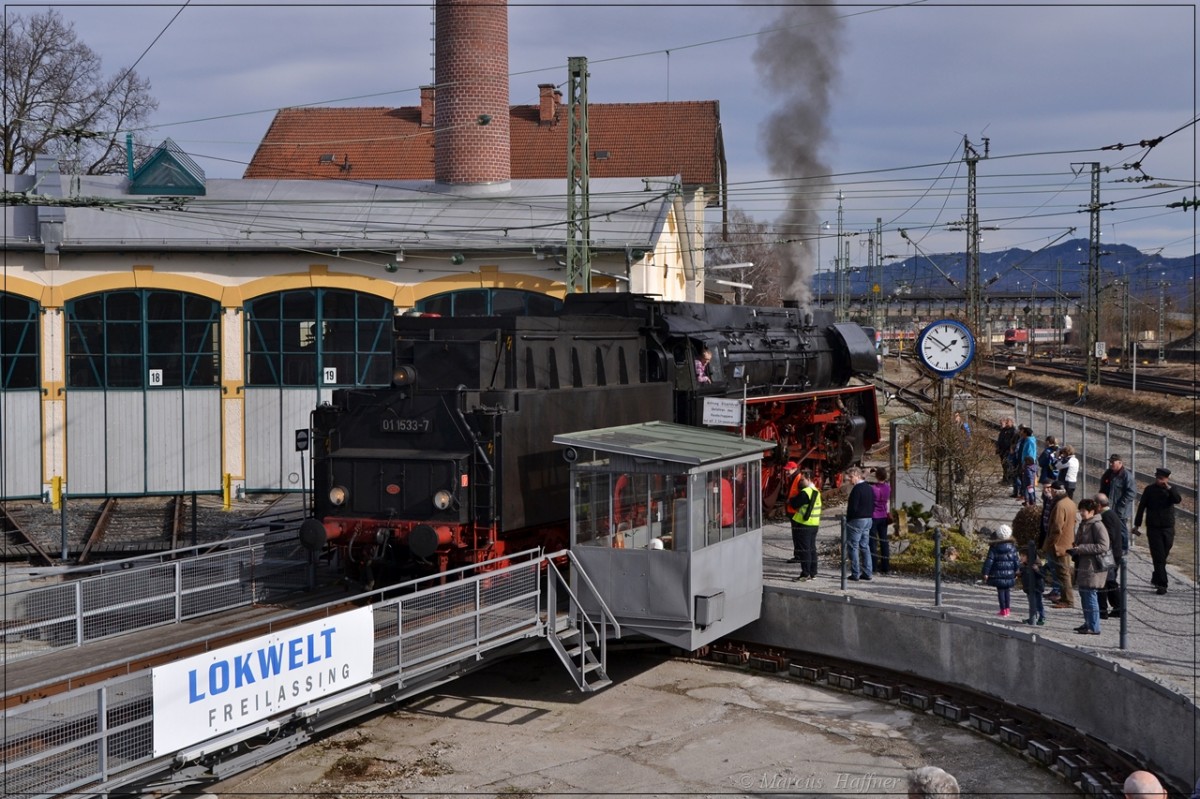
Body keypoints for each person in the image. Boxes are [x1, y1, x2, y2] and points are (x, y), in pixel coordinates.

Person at [1133, 467, 1183, 595]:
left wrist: (1168, 488)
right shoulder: (1149, 490)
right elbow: (1141, 507)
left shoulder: (1172, 490)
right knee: (1159, 557)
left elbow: (1177, 500)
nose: (1159, 480)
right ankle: (1162, 585)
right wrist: (1137, 525)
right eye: (1158, 478)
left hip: (1168, 528)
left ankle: (1156, 575)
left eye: (1162, 478)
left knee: (1163, 555)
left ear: (1167, 479)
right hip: (1154, 528)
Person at [1071, 498, 1111, 635]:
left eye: (1083, 510)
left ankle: (1094, 626)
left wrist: (1082, 548)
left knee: (1090, 596)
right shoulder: (1085, 524)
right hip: (1084, 565)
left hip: (1093, 567)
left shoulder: (1097, 525)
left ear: (1091, 512)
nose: (1081, 513)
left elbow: (1103, 545)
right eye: (1080, 510)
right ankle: (1088, 622)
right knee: (1084, 595)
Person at [1044, 482, 1078, 608]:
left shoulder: (1059, 505)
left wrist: (1050, 542)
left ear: (1055, 491)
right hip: (1068, 542)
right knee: (1064, 572)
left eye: (1052, 491)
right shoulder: (1070, 502)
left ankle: (1068, 600)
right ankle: (1064, 598)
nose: (1051, 493)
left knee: (1063, 573)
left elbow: (1057, 527)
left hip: (1060, 545)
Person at [787, 468, 822, 581]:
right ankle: (813, 572)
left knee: (804, 550)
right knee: (812, 549)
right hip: (814, 524)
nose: (800, 482)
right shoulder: (816, 491)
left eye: (802, 480)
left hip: (804, 525)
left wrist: (790, 500)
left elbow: (794, 503)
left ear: (808, 479)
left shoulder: (805, 493)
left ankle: (805, 573)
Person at [1094, 493, 1124, 619]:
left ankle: (1104, 610)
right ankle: (1117, 608)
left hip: (1109, 554)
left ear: (1099, 505)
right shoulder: (1110, 514)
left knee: (1104, 583)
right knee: (1110, 582)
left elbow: (1108, 537)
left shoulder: (1107, 517)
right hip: (1113, 553)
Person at [981, 524, 1019, 617]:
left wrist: (985, 573)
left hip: (998, 573)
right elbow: (1016, 560)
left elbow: (989, 561)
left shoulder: (994, 547)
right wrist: (1017, 570)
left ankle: (1003, 610)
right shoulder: (1013, 547)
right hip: (1010, 573)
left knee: (1001, 592)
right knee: (1007, 591)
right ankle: (1008, 609)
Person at [1100, 455, 1135, 553]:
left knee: (1121, 530)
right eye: (1110, 462)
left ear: (1120, 463)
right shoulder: (1108, 473)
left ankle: (1123, 549)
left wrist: (1121, 504)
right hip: (1107, 507)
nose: (1111, 464)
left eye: (1113, 462)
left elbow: (1131, 492)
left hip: (1120, 509)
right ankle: (1111, 547)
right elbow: (1103, 488)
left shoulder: (1126, 476)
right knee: (1108, 528)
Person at [844, 466, 874, 581]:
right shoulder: (868, 487)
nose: (850, 480)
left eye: (851, 477)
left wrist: (849, 519)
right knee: (865, 546)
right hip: (868, 519)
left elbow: (853, 507)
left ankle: (855, 573)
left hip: (857, 520)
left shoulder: (857, 489)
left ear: (857, 475)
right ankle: (867, 572)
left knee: (853, 546)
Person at [870, 467, 892, 574]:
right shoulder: (888, 488)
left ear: (876, 476)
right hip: (883, 516)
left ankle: (873, 566)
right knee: (884, 541)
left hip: (874, 516)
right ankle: (885, 566)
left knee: (872, 542)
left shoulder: (873, 488)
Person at [1019, 543, 1046, 625]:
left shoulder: (1036, 565)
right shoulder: (1023, 566)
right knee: (1031, 604)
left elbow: (1042, 575)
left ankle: (1042, 617)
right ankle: (1033, 617)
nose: (1021, 558)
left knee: (1038, 603)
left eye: (1023, 556)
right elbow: (1023, 574)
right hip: (1028, 588)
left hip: (1036, 587)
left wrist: (1037, 570)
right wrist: (1019, 573)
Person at [995, 417, 1017, 485]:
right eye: (1006, 421)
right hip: (1002, 450)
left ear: (1012, 422)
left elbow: (1013, 442)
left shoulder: (1013, 431)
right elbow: (1000, 439)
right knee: (1004, 465)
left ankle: (1008, 480)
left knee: (1008, 465)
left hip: (1008, 451)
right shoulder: (1003, 430)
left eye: (1008, 421)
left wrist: (1011, 448)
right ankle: (1004, 479)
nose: (1006, 422)